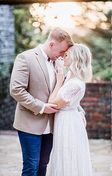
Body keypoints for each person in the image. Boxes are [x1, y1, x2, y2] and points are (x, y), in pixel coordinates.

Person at [10, 27, 73, 176]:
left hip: (51, 125)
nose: (62, 56)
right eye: (61, 51)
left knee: (43, 166)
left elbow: (62, 92)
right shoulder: (25, 57)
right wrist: (41, 107)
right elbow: (16, 90)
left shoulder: (57, 63)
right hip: (29, 123)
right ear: (52, 44)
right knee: (31, 167)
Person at [48, 43, 93, 176]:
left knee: (68, 154)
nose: (63, 57)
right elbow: (73, 102)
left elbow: (53, 104)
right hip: (68, 118)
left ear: (75, 58)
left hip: (67, 123)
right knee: (64, 153)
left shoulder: (74, 84)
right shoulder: (71, 78)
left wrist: (59, 79)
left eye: (67, 55)